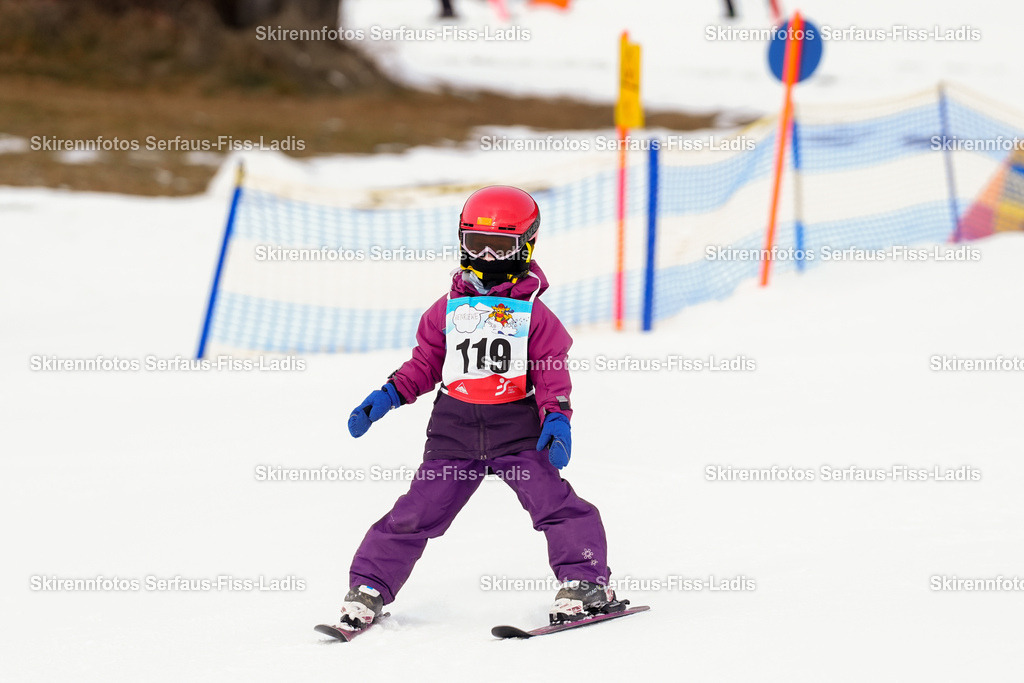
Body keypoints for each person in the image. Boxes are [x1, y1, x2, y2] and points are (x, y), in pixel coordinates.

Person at [335, 185, 620, 628]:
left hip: (517, 430)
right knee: (416, 512)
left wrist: (557, 417)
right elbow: (426, 362)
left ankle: (586, 583)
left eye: (501, 246)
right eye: (475, 244)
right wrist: (388, 394)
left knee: (555, 504)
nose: (487, 256)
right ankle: (369, 588)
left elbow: (550, 373)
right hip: (455, 430)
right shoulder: (446, 308)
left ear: (526, 245)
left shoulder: (533, 314)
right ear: (461, 241)